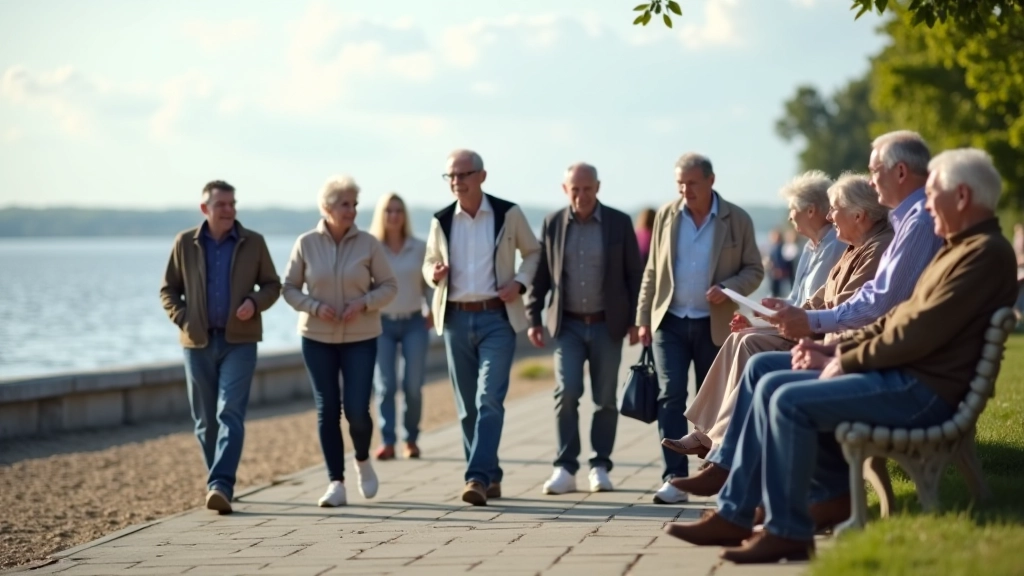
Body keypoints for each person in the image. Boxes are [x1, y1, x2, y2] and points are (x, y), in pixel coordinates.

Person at [665, 148, 1018, 564]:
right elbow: (899, 321)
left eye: (932, 192)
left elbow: (914, 333)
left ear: (961, 197)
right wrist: (833, 348)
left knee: (786, 397)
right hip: (912, 378)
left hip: (922, 390)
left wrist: (841, 358)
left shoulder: (980, 253)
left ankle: (788, 526)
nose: (924, 203)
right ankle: (759, 509)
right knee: (769, 375)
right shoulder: (962, 249)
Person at [670, 130, 944, 508]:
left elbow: (872, 307)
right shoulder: (870, 241)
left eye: (874, 170)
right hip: (860, 354)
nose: (829, 217)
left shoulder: (899, 233)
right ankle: (738, 484)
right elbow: (845, 302)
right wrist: (786, 319)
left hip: (876, 365)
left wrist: (822, 344)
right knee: (758, 363)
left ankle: (752, 494)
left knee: (767, 376)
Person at [665, 171, 869, 457]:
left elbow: (814, 307)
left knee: (746, 341)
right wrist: (759, 316)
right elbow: (798, 300)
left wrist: (766, 319)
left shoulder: (833, 246)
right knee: (739, 337)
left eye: (792, 209)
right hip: (801, 324)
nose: (790, 216)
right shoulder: (813, 247)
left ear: (810, 210)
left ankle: (718, 439)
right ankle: (707, 434)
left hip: (810, 332)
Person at [636, 152, 764, 504]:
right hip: (670, 321)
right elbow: (652, 271)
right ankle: (675, 478)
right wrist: (643, 318)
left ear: (711, 180)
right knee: (671, 394)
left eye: (692, 182)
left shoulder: (737, 219)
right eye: (680, 183)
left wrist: (728, 288)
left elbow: (755, 270)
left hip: (716, 324)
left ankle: (712, 474)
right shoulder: (666, 215)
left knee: (716, 401)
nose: (685, 189)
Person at [423, 149, 542, 506]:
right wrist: (434, 273)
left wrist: (519, 283)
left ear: (482, 176)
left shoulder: (508, 213)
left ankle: (476, 477)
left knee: (488, 398)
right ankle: (492, 476)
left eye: (463, 174)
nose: (456, 181)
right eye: (451, 176)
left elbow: (533, 252)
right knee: (466, 408)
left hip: (497, 318)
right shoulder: (441, 220)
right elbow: (428, 262)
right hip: (456, 319)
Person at [159, 180, 281, 514]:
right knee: (204, 421)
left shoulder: (253, 242)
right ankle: (218, 481)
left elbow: (272, 285)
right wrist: (184, 318)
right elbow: (168, 290)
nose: (229, 209)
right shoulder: (184, 243)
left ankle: (220, 485)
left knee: (230, 413)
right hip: (197, 342)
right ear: (205, 209)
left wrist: (254, 303)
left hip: (240, 342)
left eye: (232, 203)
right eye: (221, 204)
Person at [525, 163, 643, 495]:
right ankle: (565, 467)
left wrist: (637, 320)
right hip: (568, 325)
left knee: (605, 399)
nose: (581, 195)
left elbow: (635, 274)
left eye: (587, 188)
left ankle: (600, 465)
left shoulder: (619, 222)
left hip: (608, 324)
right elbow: (541, 275)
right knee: (567, 392)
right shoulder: (552, 223)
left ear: (598, 187)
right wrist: (533, 318)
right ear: (566, 190)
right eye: (575, 189)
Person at [283, 175, 398, 507]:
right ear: (326, 207)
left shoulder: (368, 244)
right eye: (344, 204)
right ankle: (336, 483)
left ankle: (362, 458)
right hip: (316, 337)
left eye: (354, 204)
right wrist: (314, 306)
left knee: (357, 410)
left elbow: (389, 286)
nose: (352, 210)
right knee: (328, 409)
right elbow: (288, 288)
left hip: (361, 336)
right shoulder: (306, 243)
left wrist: (363, 303)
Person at [367, 192, 433, 462]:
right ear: (381, 215)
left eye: (398, 210)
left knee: (413, 385)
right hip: (380, 324)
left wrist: (433, 310)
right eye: (388, 211)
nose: (394, 216)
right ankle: (387, 441)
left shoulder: (419, 247)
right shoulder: (371, 248)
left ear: (405, 215)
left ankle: (411, 439)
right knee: (385, 385)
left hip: (415, 322)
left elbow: (429, 283)